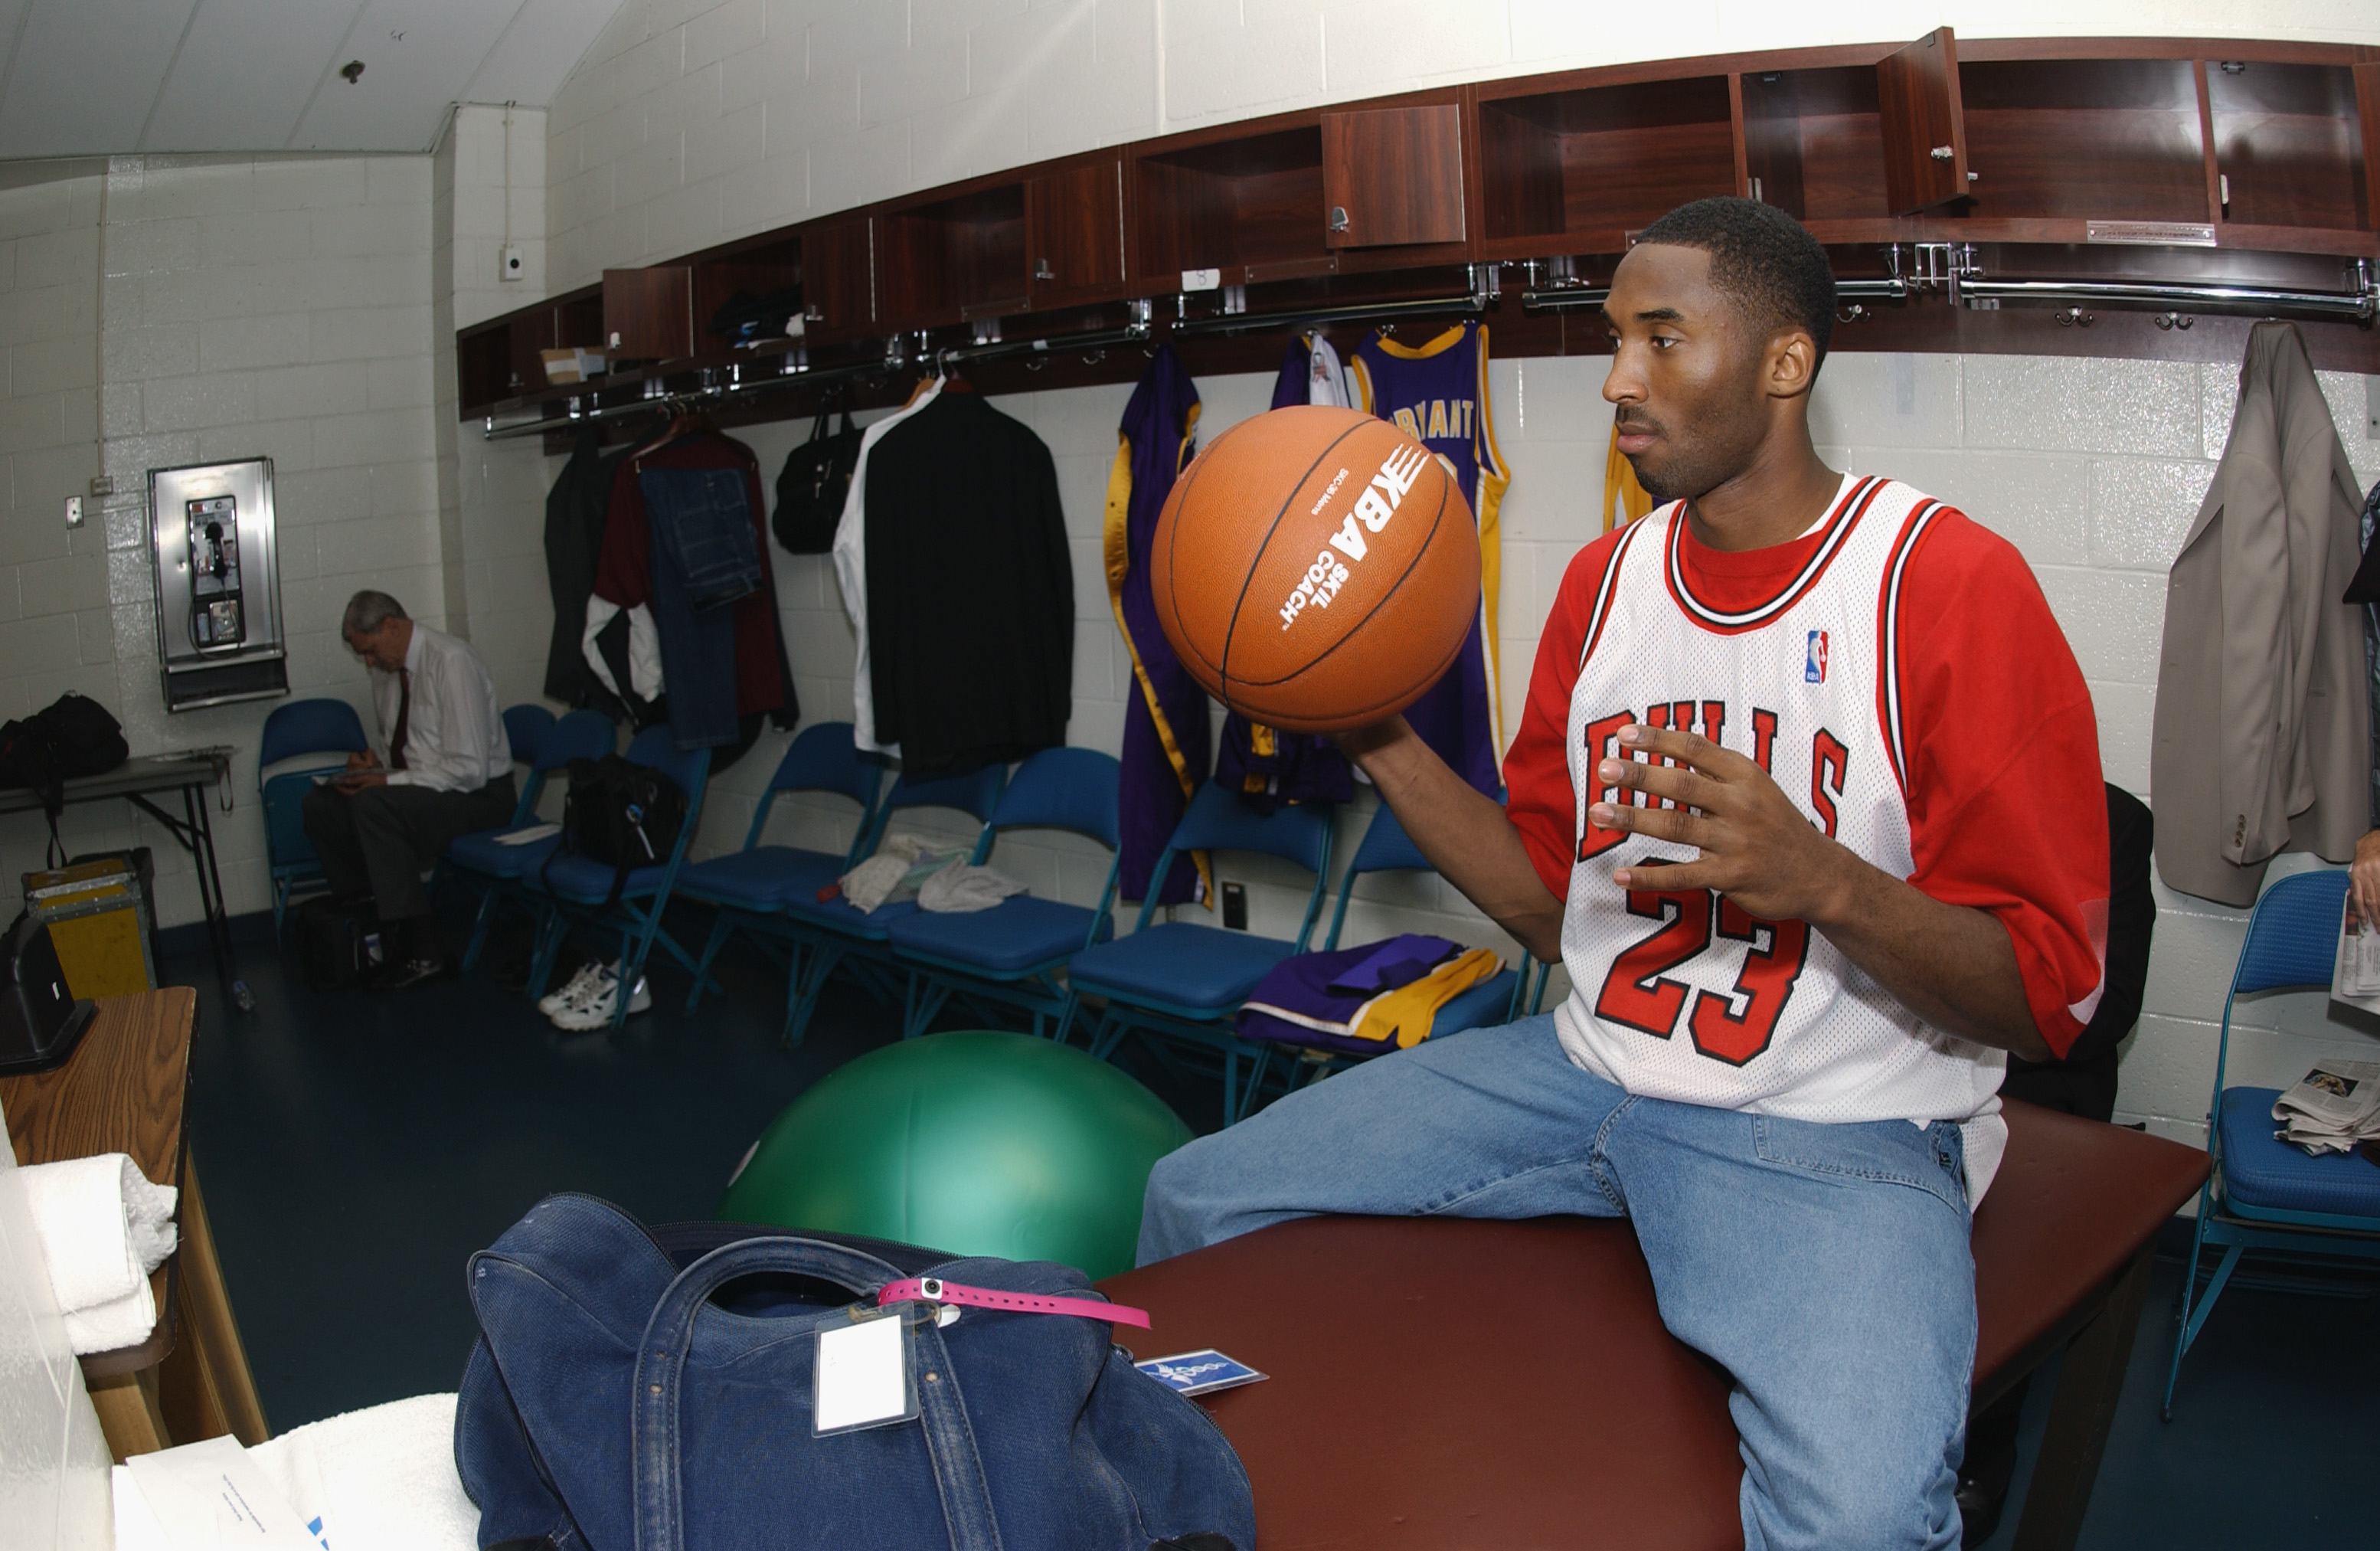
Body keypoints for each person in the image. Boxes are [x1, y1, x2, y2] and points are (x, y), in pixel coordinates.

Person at [1138, 198, 2111, 1550]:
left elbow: (2047, 995)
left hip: (1833, 1126)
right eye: (1612, 340)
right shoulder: (1604, 585)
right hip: (1586, 1068)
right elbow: (1555, 906)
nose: (1614, 379)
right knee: (1197, 1195)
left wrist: (1823, 879)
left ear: (1783, 362)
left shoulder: (1943, 586)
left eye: (1660, 338)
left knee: (1856, 1523)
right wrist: (1366, 726)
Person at [302, 591, 515, 991]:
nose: (368, 663)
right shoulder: (388, 672)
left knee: (373, 807)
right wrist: (374, 770)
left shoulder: (451, 663)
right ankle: (375, 929)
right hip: (431, 789)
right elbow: (409, 759)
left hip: (482, 796)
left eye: (370, 651)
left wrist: (386, 782)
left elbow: (469, 771)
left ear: (392, 627)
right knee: (322, 805)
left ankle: (425, 951)